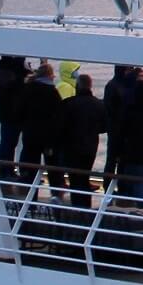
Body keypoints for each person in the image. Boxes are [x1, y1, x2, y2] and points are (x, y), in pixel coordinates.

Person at [106, 74, 143, 202]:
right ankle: (142, 206)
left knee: (136, 184)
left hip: (132, 154)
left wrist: (115, 152)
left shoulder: (128, 110)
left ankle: (139, 209)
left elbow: (120, 133)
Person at [58, 72, 106, 207]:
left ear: (78, 86)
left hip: (72, 145)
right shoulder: (98, 104)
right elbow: (104, 126)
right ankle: (86, 205)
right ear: (90, 86)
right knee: (85, 176)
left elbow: (60, 125)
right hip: (90, 145)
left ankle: (77, 206)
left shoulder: (68, 104)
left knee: (74, 178)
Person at [14, 61, 63, 190]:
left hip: (30, 133)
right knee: (53, 166)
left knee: (29, 165)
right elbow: (58, 117)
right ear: (50, 76)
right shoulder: (53, 93)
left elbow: (19, 111)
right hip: (48, 137)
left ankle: (29, 195)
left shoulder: (27, 89)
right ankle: (56, 192)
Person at [0, 54, 29, 179]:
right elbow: (13, 86)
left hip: (11, 112)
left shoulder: (3, 70)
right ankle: (5, 171)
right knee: (8, 143)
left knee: (9, 143)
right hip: (10, 113)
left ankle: (8, 170)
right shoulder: (6, 71)